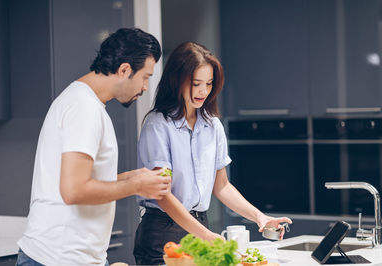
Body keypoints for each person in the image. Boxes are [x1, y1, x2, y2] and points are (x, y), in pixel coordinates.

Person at [17, 28, 171, 266]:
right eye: (146, 77)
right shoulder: (84, 108)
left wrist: (131, 178)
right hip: (57, 259)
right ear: (124, 70)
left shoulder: (86, 103)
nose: (145, 87)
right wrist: (135, 185)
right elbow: (74, 190)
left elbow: (83, 180)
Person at [133, 42, 293, 265]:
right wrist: (207, 236)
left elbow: (222, 186)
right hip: (163, 232)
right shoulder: (158, 125)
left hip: (199, 227)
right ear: (176, 80)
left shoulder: (212, 125)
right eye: (196, 83)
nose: (203, 91)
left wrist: (260, 217)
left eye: (208, 84)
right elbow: (163, 195)